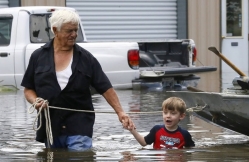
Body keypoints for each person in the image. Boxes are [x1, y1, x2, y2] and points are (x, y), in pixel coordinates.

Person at [21, 9, 135, 151]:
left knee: (79, 156)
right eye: (69, 31)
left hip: (80, 124)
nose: (74, 34)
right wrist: (36, 101)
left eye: (76, 30)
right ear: (55, 30)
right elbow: (28, 89)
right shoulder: (38, 57)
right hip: (51, 125)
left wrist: (120, 112)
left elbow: (105, 88)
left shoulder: (86, 58)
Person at [129, 97, 195, 149]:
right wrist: (133, 130)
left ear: (181, 116)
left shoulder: (185, 134)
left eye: (173, 113)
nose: (168, 116)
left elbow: (190, 150)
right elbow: (143, 143)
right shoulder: (156, 130)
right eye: (165, 113)